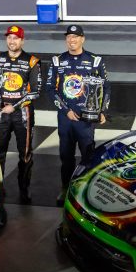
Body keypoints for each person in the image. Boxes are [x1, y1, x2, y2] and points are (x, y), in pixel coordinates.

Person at [45, 25, 110, 206]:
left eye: (75, 37)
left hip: (86, 119)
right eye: (69, 37)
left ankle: (86, 189)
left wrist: (102, 111)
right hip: (66, 118)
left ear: (83, 39)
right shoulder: (57, 61)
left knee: (88, 157)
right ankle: (66, 188)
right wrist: (65, 110)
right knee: (66, 157)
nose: (71, 40)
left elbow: (106, 87)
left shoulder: (95, 60)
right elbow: (50, 89)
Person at [0, 25, 41, 204]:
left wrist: (15, 106)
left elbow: (35, 92)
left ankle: (24, 189)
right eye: (9, 38)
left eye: (16, 38)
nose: (12, 41)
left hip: (23, 114)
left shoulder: (32, 61)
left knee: (25, 153)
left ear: (22, 40)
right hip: (0, 112)